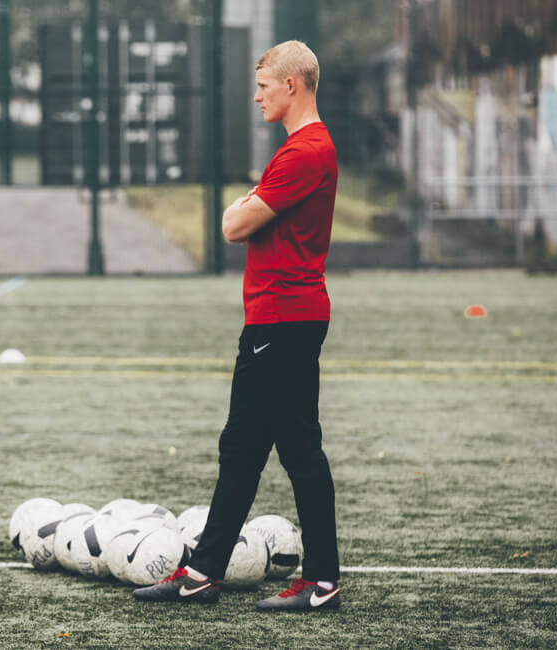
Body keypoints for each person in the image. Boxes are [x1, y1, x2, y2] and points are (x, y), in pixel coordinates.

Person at [133, 40, 341, 611]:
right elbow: (244, 216)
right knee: (252, 449)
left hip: (284, 318)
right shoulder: (300, 150)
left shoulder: (304, 152)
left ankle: (318, 582)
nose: (257, 97)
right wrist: (249, 200)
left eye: (264, 86)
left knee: (287, 451)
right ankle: (206, 575)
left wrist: (245, 201)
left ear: (292, 85)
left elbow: (233, 224)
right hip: (283, 318)